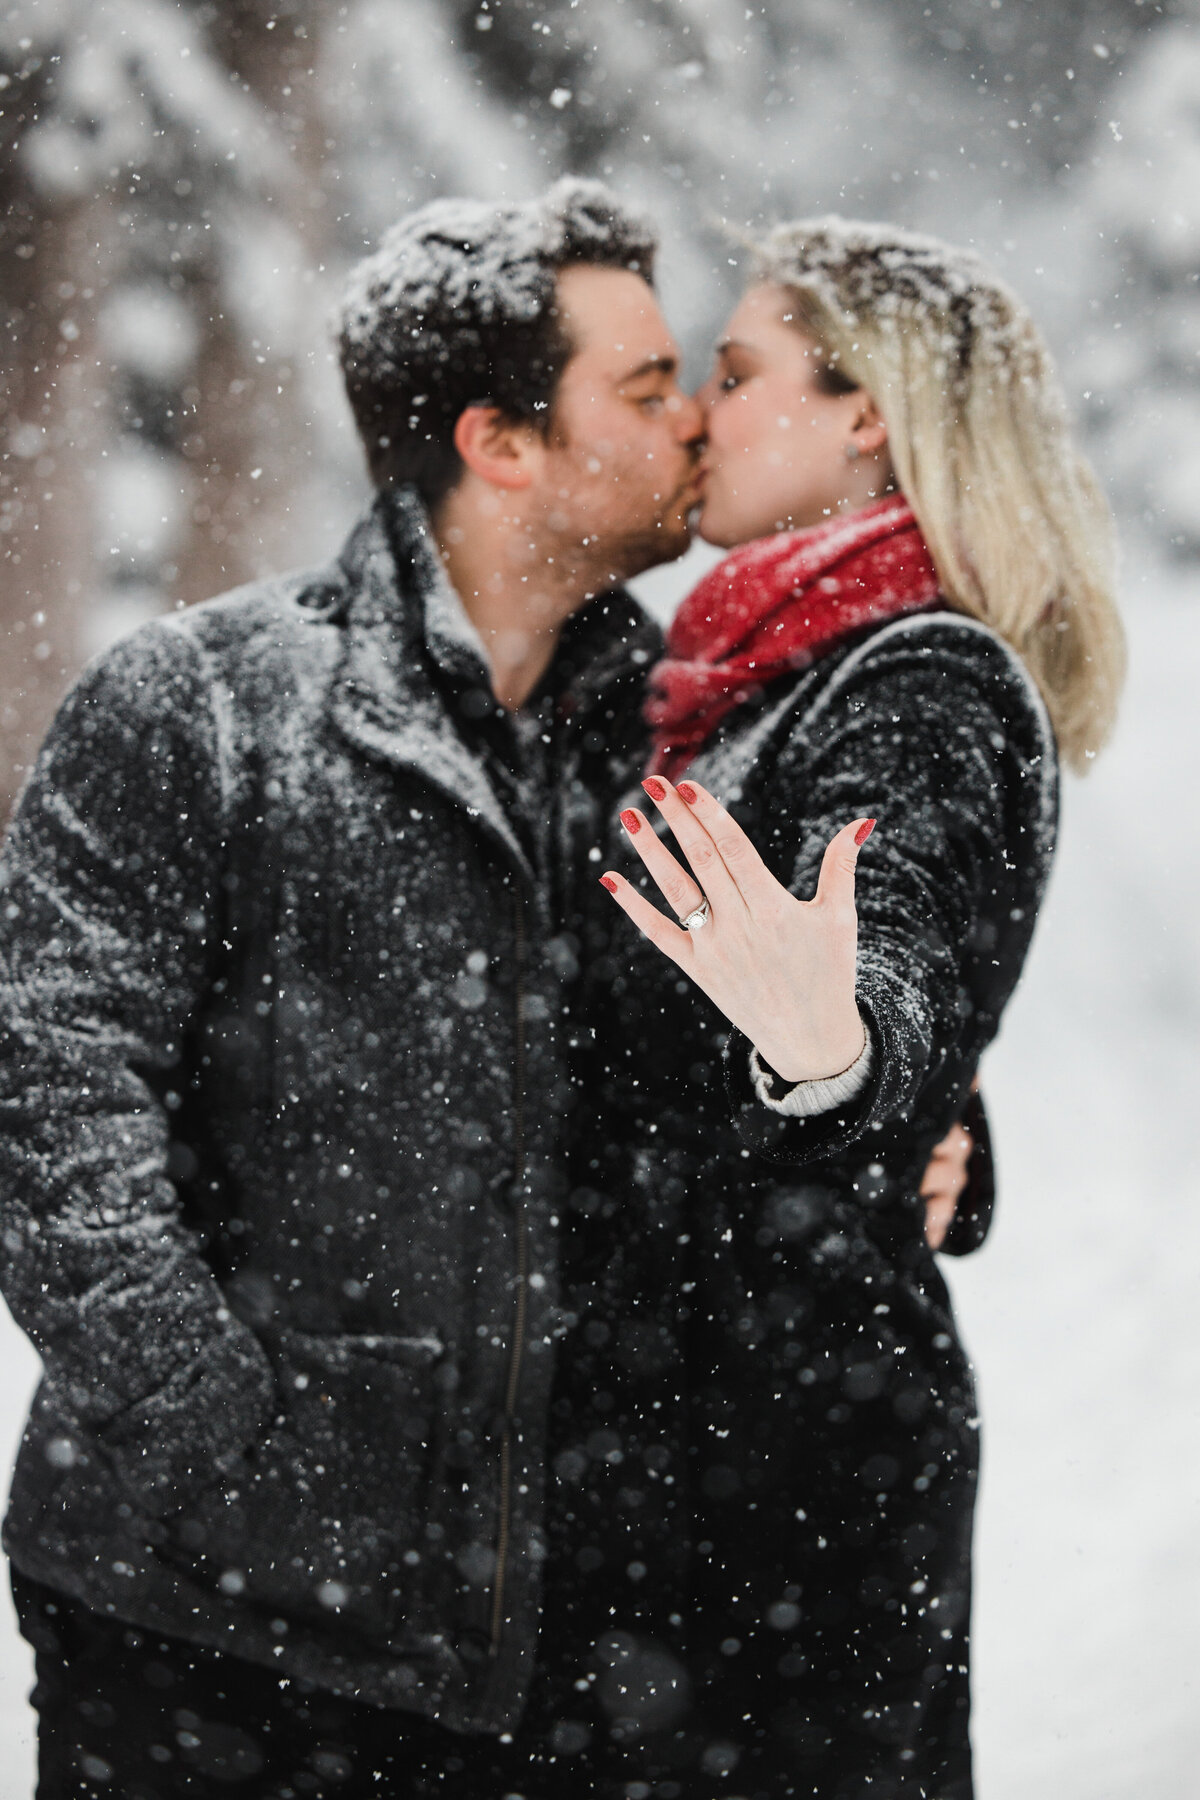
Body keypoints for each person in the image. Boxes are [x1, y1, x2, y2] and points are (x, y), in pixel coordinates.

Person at [0, 177, 710, 1798]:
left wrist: (926, 1129)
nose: (694, 429)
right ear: (500, 443)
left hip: (551, 1657)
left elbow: (740, 1090)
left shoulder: (671, 740)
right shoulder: (202, 710)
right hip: (206, 1641)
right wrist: (225, 1449)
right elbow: (49, 1100)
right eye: (648, 388)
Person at [596, 218, 1124, 1798]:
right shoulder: (746, 680)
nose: (699, 408)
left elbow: (886, 956)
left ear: (865, 413)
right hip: (694, 1435)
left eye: (739, 371)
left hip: (783, 1469)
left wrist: (851, 1060)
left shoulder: (925, 683)